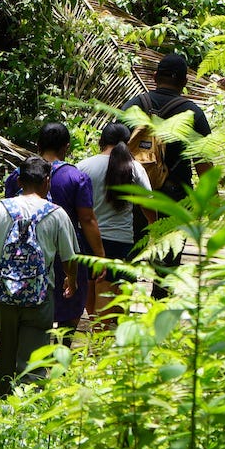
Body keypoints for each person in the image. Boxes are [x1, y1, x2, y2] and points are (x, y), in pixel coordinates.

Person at [0, 157, 80, 396]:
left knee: (6, 347)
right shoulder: (57, 214)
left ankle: (4, 398)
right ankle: (28, 403)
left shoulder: (0, 209)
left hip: (4, 295)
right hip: (40, 295)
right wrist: (71, 279)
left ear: (19, 181)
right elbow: (69, 257)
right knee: (35, 354)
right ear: (47, 182)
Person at [2, 121, 104, 331]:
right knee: (71, 301)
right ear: (66, 147)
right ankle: (64, 344)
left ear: (38, 146)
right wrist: (100, 256)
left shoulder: (18, 176)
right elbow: (87, 219)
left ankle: (33, 340)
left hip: (27, 250)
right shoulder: (76, 177)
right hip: (66, 250)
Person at [76, 120, 152, 311]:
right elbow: (148, 204)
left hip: (87, 237)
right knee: (109, 292)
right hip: (119, 240)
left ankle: (95, 325)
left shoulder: (83, 166)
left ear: (101, 141)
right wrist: (154, 227)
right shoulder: (135, 168)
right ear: (128, 143)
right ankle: (102, 328)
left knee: (90, 287)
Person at [124, 53, 213, 199]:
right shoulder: (193, 113)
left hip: (135, 198)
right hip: (175, 201)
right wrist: (214, 209)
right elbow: (205, 170)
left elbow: (111, 152)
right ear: (185, 82)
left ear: (155, 77)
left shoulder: (132, 106)